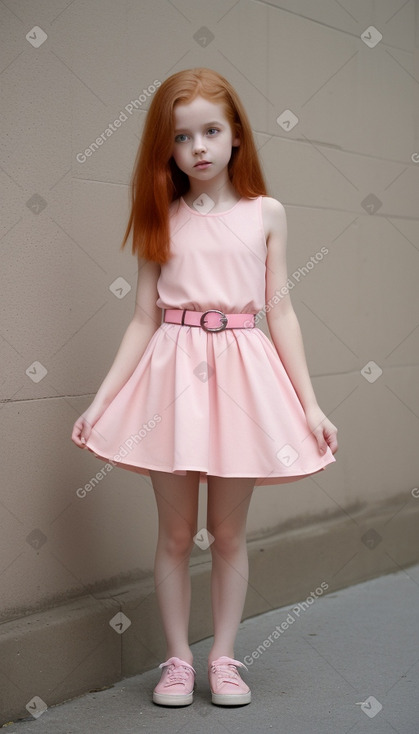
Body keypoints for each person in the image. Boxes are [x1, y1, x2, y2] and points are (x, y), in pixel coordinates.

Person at [71, 67, 338, 708]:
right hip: (173, 377)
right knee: (172, 532)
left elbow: (283, 312)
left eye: (211, 130)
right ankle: (175, 660)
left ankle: (223, 658)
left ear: (236, 135)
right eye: (182, 135)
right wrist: (102, 401)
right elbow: (144, 317)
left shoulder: (265, 213)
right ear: (166, 147)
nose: (198, 147)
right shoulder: (160, 216)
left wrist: (311, 404)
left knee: (227, 534)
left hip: (244, 373)